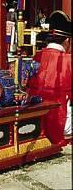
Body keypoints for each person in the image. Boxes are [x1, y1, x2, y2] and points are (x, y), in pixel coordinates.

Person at [29, 10, 72, 146]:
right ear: (67, 40)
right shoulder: (69, 60)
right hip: (62, 126)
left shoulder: (37, 56)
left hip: (37, 125)